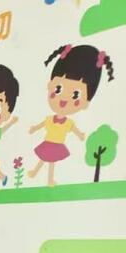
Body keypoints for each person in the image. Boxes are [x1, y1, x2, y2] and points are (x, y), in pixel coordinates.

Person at [29, 44, 115, 187]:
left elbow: (73, 130)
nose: (63, 99)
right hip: (50, 142)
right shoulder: (50, 119)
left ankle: (46, 178)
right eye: (58, 88)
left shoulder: (68, 123)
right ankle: (35, 172)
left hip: (56, 144)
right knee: (45, 159)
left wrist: (80, 135)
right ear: (49, 86)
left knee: (50, 161)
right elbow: (42, 125)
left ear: (86, 102)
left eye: (76, 94)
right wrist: (34, 128)